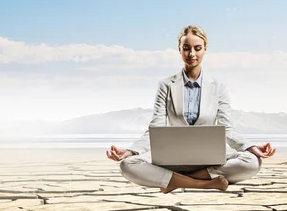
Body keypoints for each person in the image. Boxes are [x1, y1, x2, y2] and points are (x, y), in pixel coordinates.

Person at [106, 25, 276, 193]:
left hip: (208, 161)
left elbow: (227, 129)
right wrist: (130, 151)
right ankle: (205, 183)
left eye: (197, 48)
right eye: (186, 48)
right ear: (179, 49)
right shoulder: (166, 85)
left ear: (205, 49)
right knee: (127, 165)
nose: (192, 54)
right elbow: (155, 129)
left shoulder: (218, 87)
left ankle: (173, 181)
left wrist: (250, 147)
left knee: (252, 161)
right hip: (173, 160)